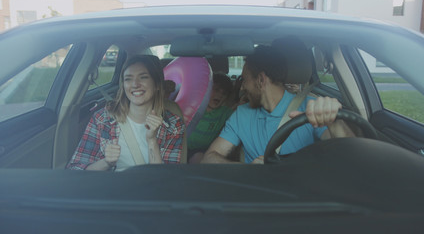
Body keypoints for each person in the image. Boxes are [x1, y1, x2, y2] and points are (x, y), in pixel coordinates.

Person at [201, 45, 354, 164]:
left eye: (245, 80)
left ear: (261, 80)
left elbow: (351, 158)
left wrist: (336, 123)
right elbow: (208, 158)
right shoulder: (241, 114)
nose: (242, 87)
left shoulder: (311, 108)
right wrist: (248, 168)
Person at [67, 55, 185, 171]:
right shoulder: (102, 119)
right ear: (123, 85)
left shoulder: (174, 125)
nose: (135, 84)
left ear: (157, 85)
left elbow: (166, 181)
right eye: (128, 79)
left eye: (143, 77)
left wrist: (152, 140)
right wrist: (106, 162)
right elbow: (75, 170)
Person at [187, 74, 234, 163]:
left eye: (224, 93)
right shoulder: (194, 105)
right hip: (181, 147)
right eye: (216, 90)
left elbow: (238, 116)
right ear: (206, 89)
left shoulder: (224, 113)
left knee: (199, 157)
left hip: (202, 151)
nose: (220, 95)